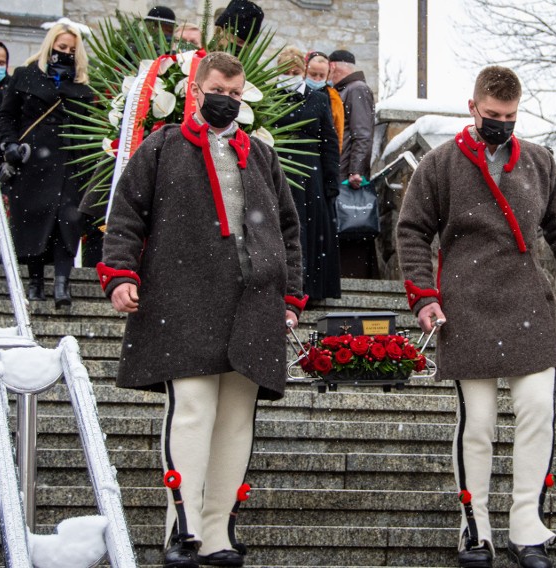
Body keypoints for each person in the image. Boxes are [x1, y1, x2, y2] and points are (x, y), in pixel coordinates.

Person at [97, 51, 306, 568]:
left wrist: (292, 297)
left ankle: (217, 535)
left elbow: (288, 231)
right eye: (218, 91)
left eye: (235, 95)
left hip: (253, 302)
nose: (226, 101)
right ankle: (182, 530)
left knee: (236, 422)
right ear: (196, 90)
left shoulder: (261, 155)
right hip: (181, 296)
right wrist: (120, 274)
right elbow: (125, 215)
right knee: (191, 410)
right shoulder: (161, 147)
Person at [396, 65, 556, 568]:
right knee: (478, 423)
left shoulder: (539, 162)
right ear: (472, 108)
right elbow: (412, 230)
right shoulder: (439, 165)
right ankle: (475, 529)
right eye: (492, 115)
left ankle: (528, 528)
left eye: (509, 116)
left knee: (538, 414)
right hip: (464, 308)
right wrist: (424, 295)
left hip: (528, 304)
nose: (501, 123)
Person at [0, 23, 94, 307]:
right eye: (61, 47)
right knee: (33, 219)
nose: (64, 53)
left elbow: (87, 127)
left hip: (68, 164)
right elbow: (6, 117)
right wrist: (10, 144)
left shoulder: (82, 88)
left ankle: (62, 283)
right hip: (31, 162)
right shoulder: (25, 76)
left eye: (71, 50)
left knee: (68, 220)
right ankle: (35, 281)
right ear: (50, 45)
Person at [274, 47, 342, 300]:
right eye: (286, 72)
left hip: (310, 174)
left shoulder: (318, 99)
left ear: (302, 72)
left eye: (295, 72)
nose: (291, 76)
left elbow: (329, 143)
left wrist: (331, 181)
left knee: (310, 230)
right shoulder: (270, 98)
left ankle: (309, 289)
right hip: (280, 171)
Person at [328, 49, 377, 278]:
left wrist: (355, 171)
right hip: (342, 171)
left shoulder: (356, 89)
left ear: (334, 67)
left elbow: (362, 133)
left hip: (348, 176)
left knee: (351, 227)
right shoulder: (348, 90)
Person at [304, 51, 344, 152]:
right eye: (313, 74)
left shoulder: (333, 97)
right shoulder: (297, 91)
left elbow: (338, 131)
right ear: (305, 71)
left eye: (321, 76)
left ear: (328, 75)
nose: (317, 79)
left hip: (321, 151)